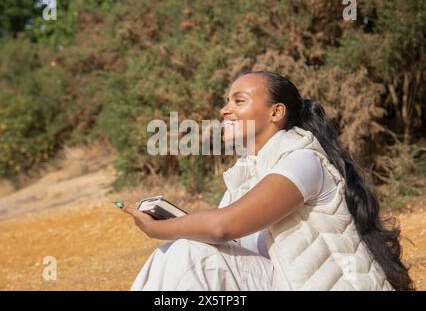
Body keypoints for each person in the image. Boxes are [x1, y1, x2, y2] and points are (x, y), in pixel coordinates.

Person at [122, 71, 414, 291]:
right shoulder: (246, 175)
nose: (225, 110)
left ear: (276, 112)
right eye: (227, 101)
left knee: (190, 253)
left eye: (239, 101)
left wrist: (159, 228)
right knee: (184, 252)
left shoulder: (302, 162)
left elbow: (221, 227)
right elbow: (228, 245)